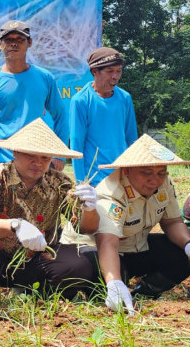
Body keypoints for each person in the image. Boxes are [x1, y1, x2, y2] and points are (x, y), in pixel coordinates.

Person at [0, 118, 99, 303]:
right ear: (15, 152)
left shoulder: (59, 182)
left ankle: (39, 293)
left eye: (45, 158)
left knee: (79, 264)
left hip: (37, 260)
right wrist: (15, 225)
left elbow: (86, 228)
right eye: (30, 156)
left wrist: (89, 209)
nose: (38, 163)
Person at [61, 135, 190, 315]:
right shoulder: (112, 193)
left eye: (161, 172)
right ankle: (114, 286)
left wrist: (187, 244)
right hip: (92, 249)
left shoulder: (163, 184)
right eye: (146, 172)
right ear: (127, 171)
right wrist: (114, 281)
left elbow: (172, 222)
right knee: (104, 274)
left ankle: (145, 291)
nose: (155, 180)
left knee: (179, 256)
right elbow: (107, 243)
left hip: (133, 246)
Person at [0, 20, 68, 173]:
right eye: (8, 40)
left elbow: (61, 115)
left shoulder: (45, 77)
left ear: (29, 43)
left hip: (35, 160)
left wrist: (59, 156)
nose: (14, 44)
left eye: (20, 40)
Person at [70, 47, 137, 186]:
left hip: (122, 175)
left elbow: (132, 139)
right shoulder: (81, 101)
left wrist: (135, 172)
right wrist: (81, 183)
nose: (115, 76)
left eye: (119, 71)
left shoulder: (124, 98)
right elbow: (77, 146)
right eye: (110, 71)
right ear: (95, 71)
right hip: (95, 178)